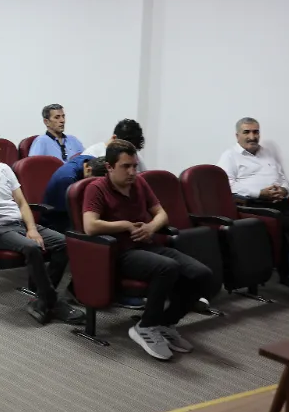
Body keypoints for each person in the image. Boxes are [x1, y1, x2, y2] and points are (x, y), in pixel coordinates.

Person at [83, 140, 213, 360]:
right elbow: (90, 226)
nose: (132, 172)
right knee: (168, 268)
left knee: (202, 274)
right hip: (119, 253)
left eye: (134, 166)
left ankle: (165, 323)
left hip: (148, 245)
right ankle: (146, 326)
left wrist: (151, 227)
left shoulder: (139, 183)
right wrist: (125, 225)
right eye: (126, 166)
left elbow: (162, 214)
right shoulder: (96, 188)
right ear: (109, 167)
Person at [0, 132, 85, 325]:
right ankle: (52, 301)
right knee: (32, 247)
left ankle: (42, 298)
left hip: (20, 222)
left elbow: (22, 202)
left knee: (64, 243)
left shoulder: (4, 169)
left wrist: (32, 228)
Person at [217, 117, 289, 287]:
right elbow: (227, 186)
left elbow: (281, 178)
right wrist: (259, 193)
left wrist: (283, 190)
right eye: (247, 132)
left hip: (279, 203)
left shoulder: (267, 153)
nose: (252, 136)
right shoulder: (230, 156)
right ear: (237, 135)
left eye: (256, 132)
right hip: (253, 206)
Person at [42, 154, 98, 232]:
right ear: (89, 170)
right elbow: (73, 210)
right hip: (59, 217)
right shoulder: (68, 178)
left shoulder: (89, 161)